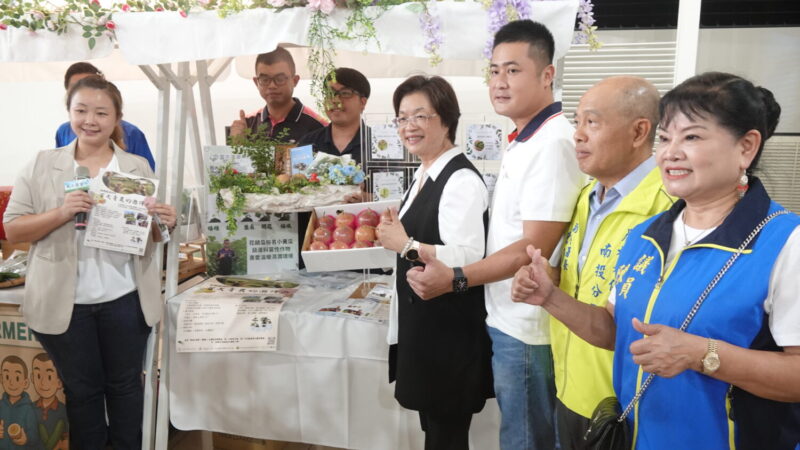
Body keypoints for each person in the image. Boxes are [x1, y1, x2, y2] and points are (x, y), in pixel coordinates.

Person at [511, 72, 800, 449]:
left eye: (691, 137)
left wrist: (703, 354)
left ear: (746, 147)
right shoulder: (645, 235)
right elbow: (616, 330)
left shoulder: (784, 242)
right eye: (665, 138)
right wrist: (550, 297)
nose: (670, 152)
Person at [406, 20, 586, 449]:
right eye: (494, 71)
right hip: (506, 315)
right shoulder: (526, 138)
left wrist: (457, 277)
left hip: (527, 325)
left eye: (513, 70)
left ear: (547, 74)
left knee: (525, 440)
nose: (499, 82)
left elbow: (533, 248)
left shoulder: (552, 143)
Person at [3, 75, 177, 449]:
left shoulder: (136, 168)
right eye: (81, 110)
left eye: (101, 113)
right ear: (69, 113)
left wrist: (163, 221)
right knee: (82, 393)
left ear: (116, 118)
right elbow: (13, 229)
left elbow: (151, 235)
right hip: (65, 305)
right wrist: (62, 212)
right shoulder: (42, 164)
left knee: (126, 388)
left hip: (125, 300)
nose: (90, 120)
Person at [547, 76, 674, 449]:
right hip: (569, 386)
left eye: (592, 122)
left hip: (623, 404)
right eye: (578, 122)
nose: (578, 135)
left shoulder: (667, 208)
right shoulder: (586, 195)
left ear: (638, 132)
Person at [376, 75, 493, 450]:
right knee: (437, 431)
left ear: (446, 119)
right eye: (402, 117)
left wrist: (405, 244)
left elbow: (468, 256)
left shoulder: (460, 180)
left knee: (447, 435)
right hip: (427, 328)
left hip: (449, 333)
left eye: (420, 116)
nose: (408, 126)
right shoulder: (425, 173)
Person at [55, 62, 156, 171]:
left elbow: (146, 176)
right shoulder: (62, 133)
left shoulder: (132, 134)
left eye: (101, 113)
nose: (90, 121)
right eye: (77, 88)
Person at [228, 47, 327, 144]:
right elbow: (233, 155)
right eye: (265, 80)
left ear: (295, 81)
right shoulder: (247, 125)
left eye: (280, 79)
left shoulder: (319, 127)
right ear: (256, 82)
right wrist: (237, 144)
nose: (272, 86)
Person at [299, 67, 371, 165]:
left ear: (362, 102)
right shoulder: (308, 142)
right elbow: (297, 173)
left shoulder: (377, 143)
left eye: (345, 93)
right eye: (330, 93)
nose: (335, 100)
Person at [0, 356, 39, 448]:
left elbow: (34, 435)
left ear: (25, 383)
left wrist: (26, 439)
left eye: (17, 378)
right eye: (7, 377)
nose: (11, 383)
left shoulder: (28, 409)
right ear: (1, 379)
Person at [31, 353, 68, 450]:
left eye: (49, 377)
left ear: (59, 382)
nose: (43, 382)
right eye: (38, 376)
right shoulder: (29, 408)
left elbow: (67, 436)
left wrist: (63, 444)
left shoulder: (64, 410)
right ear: (32, 378)